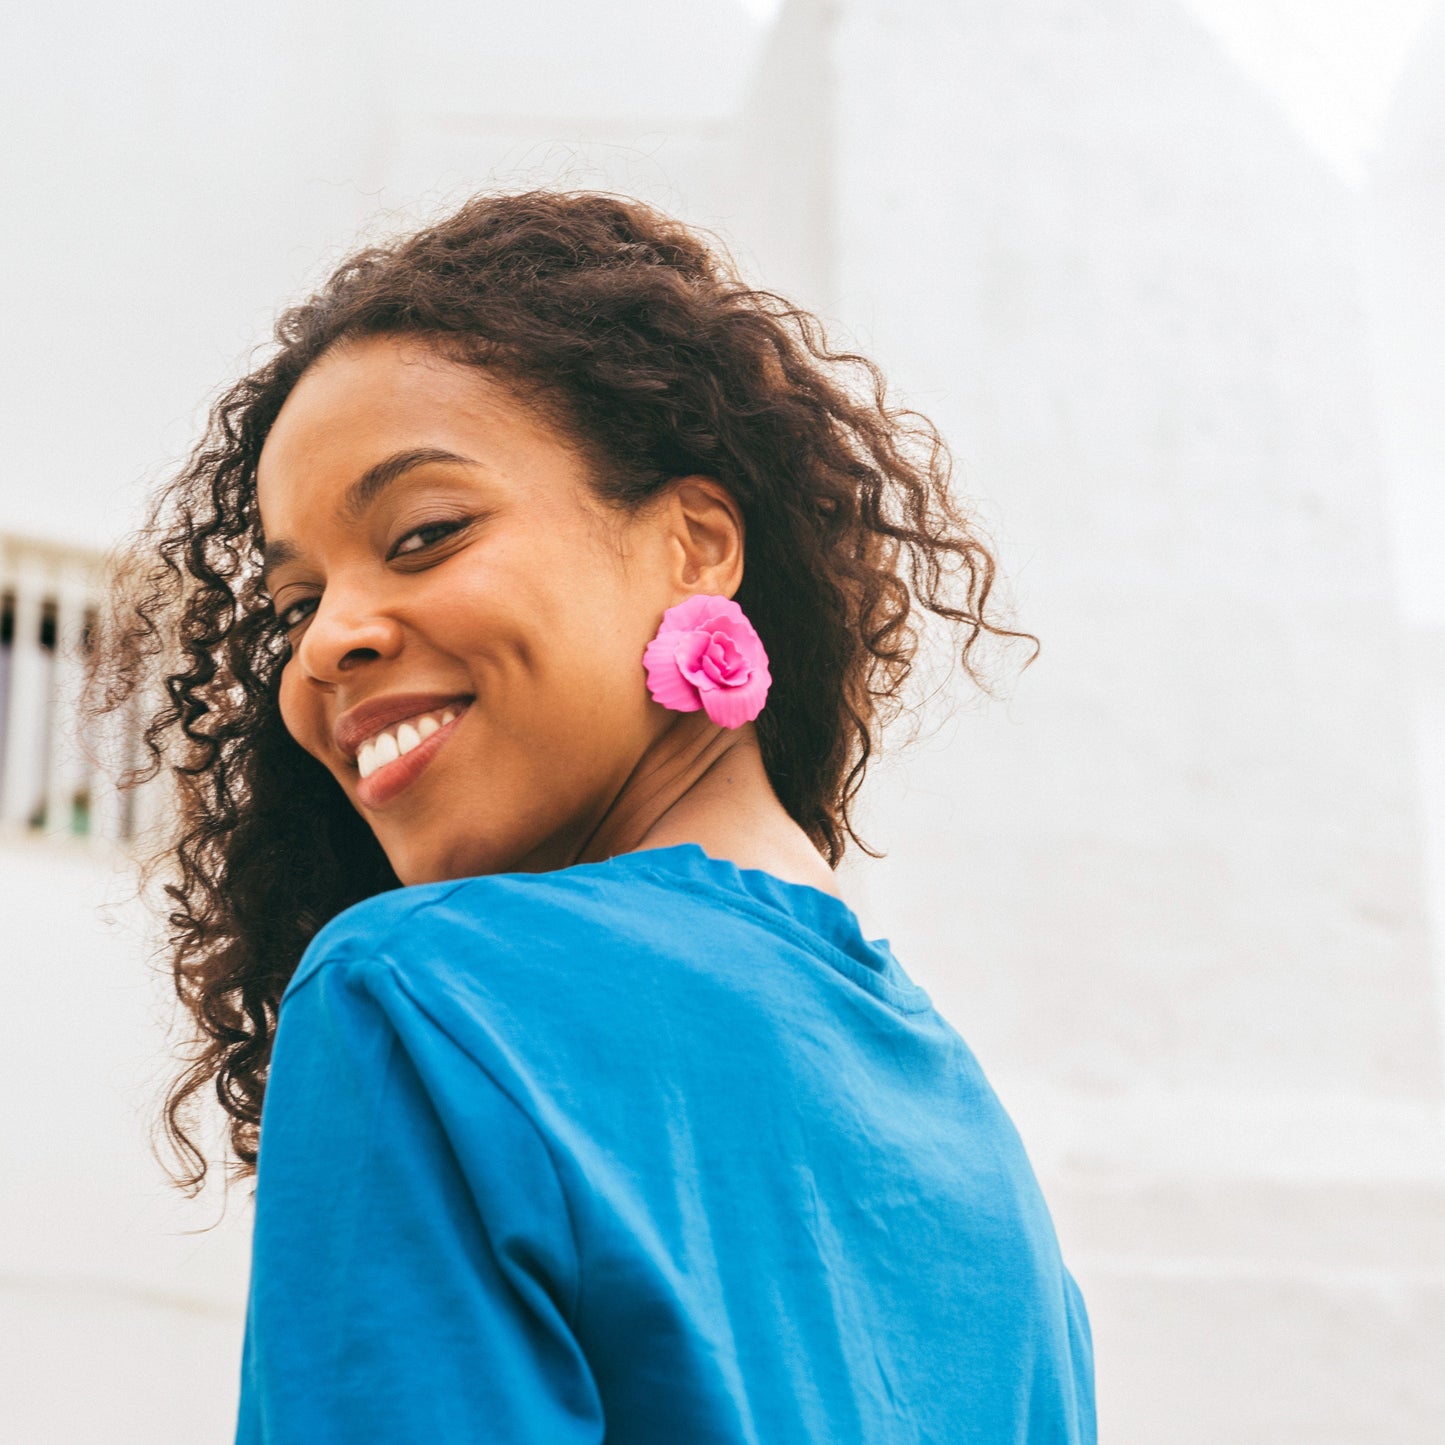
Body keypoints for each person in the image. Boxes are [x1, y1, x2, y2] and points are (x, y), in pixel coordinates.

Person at [86, 189, 1096, 1442]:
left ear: (691, 544)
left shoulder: (426, 995)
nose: (327, 641)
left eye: (423, 532)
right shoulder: (982, 1168)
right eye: (295, 604)